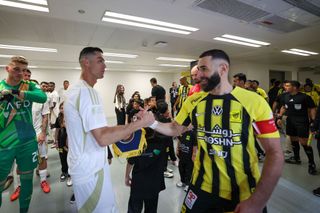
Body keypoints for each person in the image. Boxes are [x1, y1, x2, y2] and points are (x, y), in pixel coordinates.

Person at [149, 49, 283, 212]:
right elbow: (174, 128)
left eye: (203, 69)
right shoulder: (194, 100)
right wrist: (152, 123)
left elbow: (274, 153)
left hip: (242, 192)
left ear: (223, 68)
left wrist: (258, 201)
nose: (197, 76)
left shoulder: (254, 101)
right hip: (201, 185)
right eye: (197, 70)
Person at [64, 47, 155, 213]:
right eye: (100, 60)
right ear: (86, 62)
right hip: (91, 170)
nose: (105, 65)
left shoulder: (75, 90)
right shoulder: (86, 92)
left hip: (84, 166)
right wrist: (140, 124)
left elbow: (95, 132)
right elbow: (103, 138)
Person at [0, 56, 47, 213]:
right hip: (3, 144)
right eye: (16, 69)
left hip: (27, 141)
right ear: (7, 68)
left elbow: (42, 97)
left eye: (23, 70)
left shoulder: (29, 85)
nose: (20, 73)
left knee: (27, 181)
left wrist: (15, 92)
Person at [278, 80, 317, 175]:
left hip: (302, 122)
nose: (285, 87)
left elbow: (312, 108)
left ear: (295, 87)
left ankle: (311, 163)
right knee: (293, 139)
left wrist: (313, 121)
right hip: (290, 121)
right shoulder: (285, 96)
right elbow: (283, 107)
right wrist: (279, 116)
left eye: (287, 86)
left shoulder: (305, 97)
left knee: (304, 142)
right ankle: (296, 158)